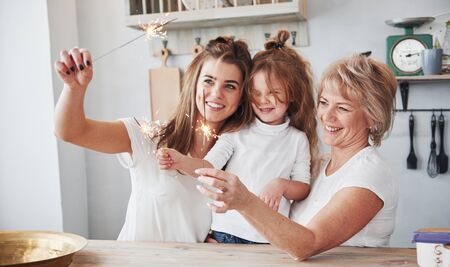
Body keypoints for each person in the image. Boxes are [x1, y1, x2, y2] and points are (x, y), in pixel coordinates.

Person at [194, 53, 398, 259]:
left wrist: (245, 201)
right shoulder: (320, 166)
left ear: (373, 117)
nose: (326, 116)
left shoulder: (369, 173)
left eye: (342, 108)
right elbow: (282, 233)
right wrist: (225, 241)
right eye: (324, 102)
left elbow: (308, 244)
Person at [53, 36, 253, 242]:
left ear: (241, 98)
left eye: (230, 86)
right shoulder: (148, 136)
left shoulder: (237, 160)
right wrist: (74, 89)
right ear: (194, 84)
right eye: (209, 81)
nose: (216, 93)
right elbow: (70, 132)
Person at [156, 30, 318, 244]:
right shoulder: (236, 131)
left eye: (273, 92)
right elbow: (209, 166)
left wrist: (281, 185)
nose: (263, 100)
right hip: (224, 232)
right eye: (256, 92)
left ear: (293, 94)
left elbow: (303, 187)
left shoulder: (297, 139)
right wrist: (181, 160)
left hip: (268, 236)